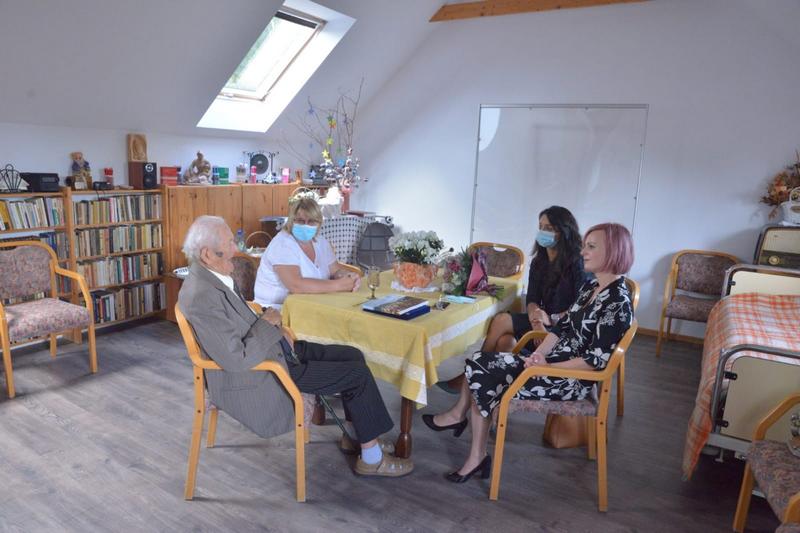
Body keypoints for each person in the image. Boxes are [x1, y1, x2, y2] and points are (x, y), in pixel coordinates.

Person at [178, 215, 413, 477]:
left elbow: (239, 324)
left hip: (274, 352)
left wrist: (274, 327)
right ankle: (372, 459)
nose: (236, 249)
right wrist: (267, 324)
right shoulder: (201, 295)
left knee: (353, 355)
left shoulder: (212, 276)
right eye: (230, 243)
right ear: (207, 254)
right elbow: (236, 358)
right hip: (265, 373)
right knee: (356, 375)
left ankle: (357, 435)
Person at [423, 223, 634, 483]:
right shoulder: (591, 288)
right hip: (551, 365)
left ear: (613, 251)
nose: (583, 252)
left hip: (571, 380)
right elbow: (561, 328)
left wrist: (545, 367)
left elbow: (594, 362)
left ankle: (471, 444)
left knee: (482, 372)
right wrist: (540, 354)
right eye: (585, 246)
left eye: (591, 247)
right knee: (478, 363)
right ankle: (473, 448)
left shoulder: (617, 303)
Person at [254, 192, 360, 309]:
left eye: (311, 221)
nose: (306, 225)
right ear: (291, 221)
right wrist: (339, 285)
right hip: (274, 310)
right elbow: (296, 285)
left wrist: (346, 276)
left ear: (319, 223)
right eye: (300, 221)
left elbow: (335, 271)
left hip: (311, 305)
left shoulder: (320, 242)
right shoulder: (283, 243)